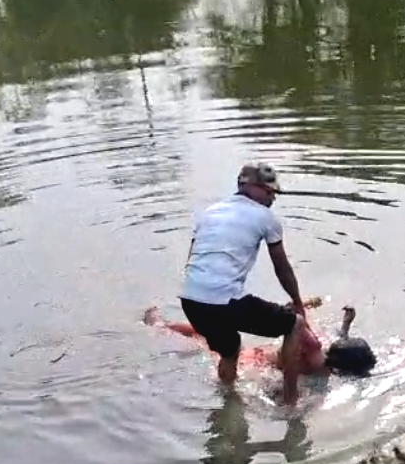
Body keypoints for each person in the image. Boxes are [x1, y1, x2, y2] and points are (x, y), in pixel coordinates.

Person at [177, 162, 310, 404]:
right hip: (223, 300)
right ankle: (292, 403)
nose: (273, 199)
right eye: (270, 192)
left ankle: (228, 401)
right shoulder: (265, 217)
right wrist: (298, 303)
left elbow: (193, 259)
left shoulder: (210, 212)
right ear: (254, 188)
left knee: (230, 351)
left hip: (191, 299)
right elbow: (282, 267)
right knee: (295, 324)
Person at [144, 303, 378, 380]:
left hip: (251, 363)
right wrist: (346, 324)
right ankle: (161, 327)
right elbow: (338, 342)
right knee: (204, 335)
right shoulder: (328, 368)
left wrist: (296, 308)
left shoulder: (316, 353)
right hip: (259, 359)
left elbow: (298, 325)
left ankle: (158, 327)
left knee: (204, 337)